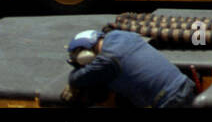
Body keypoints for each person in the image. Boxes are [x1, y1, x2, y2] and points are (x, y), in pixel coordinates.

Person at [64, 29, 196, 108]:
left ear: (85, 55)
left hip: (170, 102)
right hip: (185, 85)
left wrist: (76, 73)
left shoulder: (107, 61)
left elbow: (76, 78)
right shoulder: (122, 36)